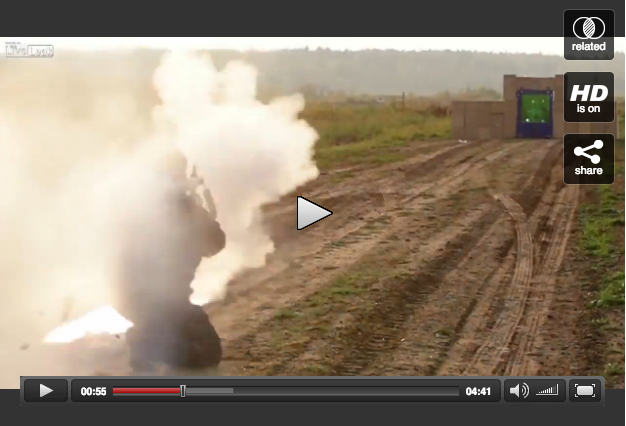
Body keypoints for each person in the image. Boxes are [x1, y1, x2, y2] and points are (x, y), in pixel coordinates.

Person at [115, 147, 226, 373]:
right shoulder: (180, 207)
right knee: (205, 353)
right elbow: (215, 244)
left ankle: (146, 337)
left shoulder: (139, 204)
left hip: (132, 299)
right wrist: (195, 204)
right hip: (163, 302)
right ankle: (146, 341)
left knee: (199, 346)